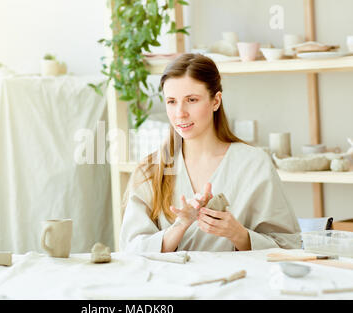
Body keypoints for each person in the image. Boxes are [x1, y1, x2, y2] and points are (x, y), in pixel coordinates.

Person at [119, 53, 301, 253]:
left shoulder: (254, 163)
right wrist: (179, 226)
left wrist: (238, 234)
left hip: (238, 282)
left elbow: (288, 246)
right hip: (170, 283)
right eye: (171, 101)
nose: (180, 113)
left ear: (216, 101)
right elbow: (131, 250)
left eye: (192, 99)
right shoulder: (151, 169)